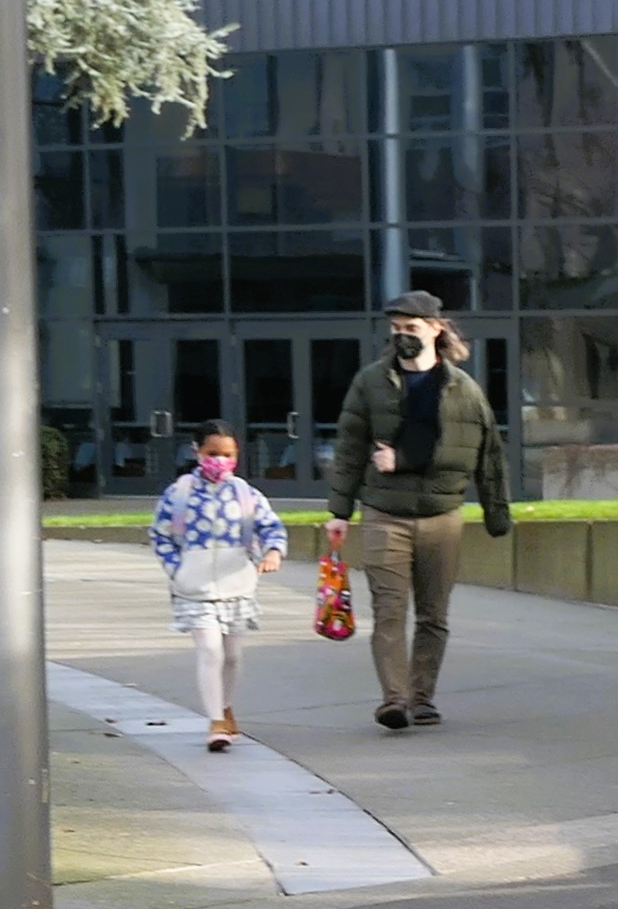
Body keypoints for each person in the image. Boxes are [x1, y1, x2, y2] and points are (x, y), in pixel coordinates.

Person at [322, 293, 512, 731]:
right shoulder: (371, 383)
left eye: (411, 328)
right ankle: (394, 699)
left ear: (436, 328)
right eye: (397, 329)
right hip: (384, 512)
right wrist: (339, 510)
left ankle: (422, 697)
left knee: (433, 614)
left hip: (441, 515)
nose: (403, 336)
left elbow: (483, 455)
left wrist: (495, 512)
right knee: (389, 609)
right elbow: (350, 449)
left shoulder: (463, 390)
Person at [147, 431, 287, 752]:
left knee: (232, 656)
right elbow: (160, 534)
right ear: (197, 451)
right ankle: (215, 722)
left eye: (228, 454)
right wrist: (178, 569)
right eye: (213, 453)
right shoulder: (179, 493)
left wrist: (273, 552)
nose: (220, 460)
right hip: (194, 589)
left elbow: (271, 526)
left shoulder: (245, 494)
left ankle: (225, 706)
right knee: (211, 650)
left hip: (237, 587)